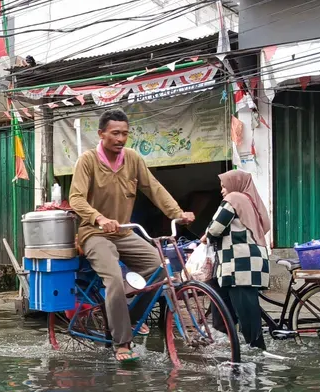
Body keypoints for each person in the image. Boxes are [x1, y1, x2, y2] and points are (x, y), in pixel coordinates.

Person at [69, 108, 195, 362]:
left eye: (125, 134)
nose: (121, 138)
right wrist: (100, 219)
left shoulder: (133, 159)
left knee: (162, 267)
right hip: (94, 233)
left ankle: (130, 317)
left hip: (125, 232)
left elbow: (154, 188)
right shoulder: (88, 160)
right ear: (101, 134)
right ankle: (122, 343)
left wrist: (177, 213)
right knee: (114, 279)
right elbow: (75, 198)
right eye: (115, 133)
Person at [203, 169, 271, 351]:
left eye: (224, 186)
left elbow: (215, 228)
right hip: (253, 261)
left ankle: (257, 350)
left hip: (239, 264)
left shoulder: (234, 198)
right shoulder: (251, 201)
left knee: (247, 313)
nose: (222, 190)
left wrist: (206, 235)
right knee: (241, 305)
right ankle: (238, 344)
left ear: (235, 184)